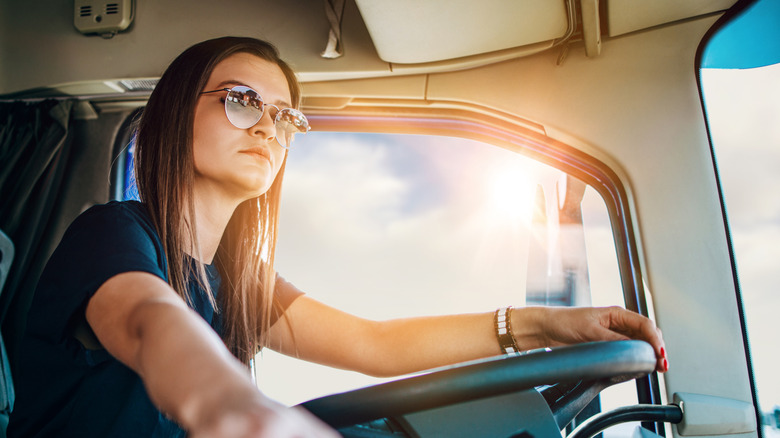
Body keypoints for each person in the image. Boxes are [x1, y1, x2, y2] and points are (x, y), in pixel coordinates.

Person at [7, 36, 668, 438]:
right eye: (242, 101)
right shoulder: (111, 236)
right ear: (178, 115)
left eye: (286, 115)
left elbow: (374, 344)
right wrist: (239, 412)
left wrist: (541, 327)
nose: (269, 127)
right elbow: (153, 324)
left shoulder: (240, 282)